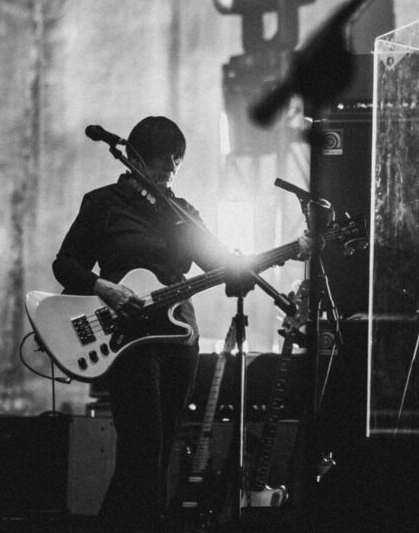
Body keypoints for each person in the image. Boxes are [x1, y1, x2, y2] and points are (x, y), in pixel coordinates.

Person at [53, 116, 307, 531]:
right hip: (124, 338)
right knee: (142, 446)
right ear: (142, 158)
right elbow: (65, 264)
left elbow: (227, 269)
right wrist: (105, 288)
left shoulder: (184, 214)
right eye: (163, 160)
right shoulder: (102, 204)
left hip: (176, 339)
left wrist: (289, 251)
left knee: (162, 449)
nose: (169, 169)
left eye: (174, 162)